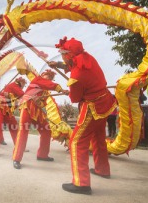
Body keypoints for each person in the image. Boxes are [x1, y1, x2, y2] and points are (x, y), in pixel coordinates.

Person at [49, 37, 116, 195]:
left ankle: (82, 183)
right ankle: (102, 169)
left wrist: (71, 88)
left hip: (92, 107)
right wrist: (57, 65)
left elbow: (74, 98)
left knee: (76, 142)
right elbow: (73, 65)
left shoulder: (77, 74)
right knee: (98, 137)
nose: (62, 57)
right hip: (105, 102)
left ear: (69, 55)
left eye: (63, 55)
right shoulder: (87, 57)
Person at [12, 69, 68, 169]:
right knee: (23, 131)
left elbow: (42, 104)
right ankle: (16, 158)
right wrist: (61, 90)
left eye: (51, 78)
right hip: (27, 107)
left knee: (46, 130)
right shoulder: (38, 80)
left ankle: (42, 154)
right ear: (43, 75)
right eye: (48, 76)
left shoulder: (45, 91)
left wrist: (39, 102)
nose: (49, 79)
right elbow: (48, 84)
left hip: (37, 111)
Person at [0, 77, 26, 157]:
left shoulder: (15, 87)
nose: (24, 86)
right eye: (24, 84)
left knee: (14, 126)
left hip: (8, 109)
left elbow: (18, 100)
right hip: (0, 106)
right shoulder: (15, 85)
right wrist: (30, 96)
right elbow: (22, 95)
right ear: (20, 82)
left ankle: (19, 146)